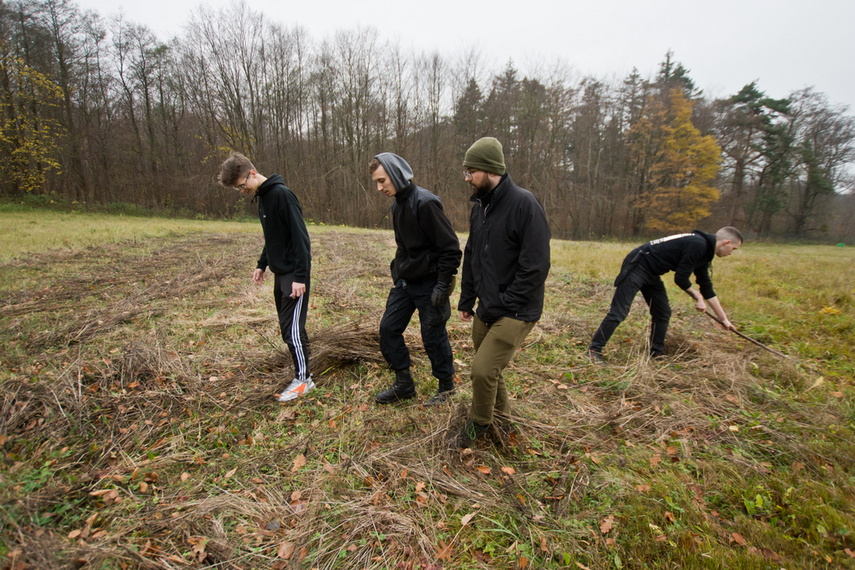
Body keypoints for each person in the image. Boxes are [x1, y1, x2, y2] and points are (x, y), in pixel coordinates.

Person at [456, 137, 551, 447]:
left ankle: (479, 426)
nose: (467, 178)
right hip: (487, 306)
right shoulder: (480, 208)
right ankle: (506, 425)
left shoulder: (525, 204)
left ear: (489, 169)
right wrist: (468, 297)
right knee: (491, 368)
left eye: (471, 171)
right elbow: (471, 253)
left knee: (482, 371)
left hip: (517, 309)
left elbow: (535, 267)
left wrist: (506, 303)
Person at [216, 153, 314, 402]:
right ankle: (300, 367)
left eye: (241, 185)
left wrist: (300, 277)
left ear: (251, 173)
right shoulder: (263, 198)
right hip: (280, 273)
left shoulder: (283, 196)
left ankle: (304, 380)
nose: (241, 191)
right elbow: (273, 238)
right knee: (287, 328)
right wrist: (262, 264)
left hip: (294, 274)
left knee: (293, 330)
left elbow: (301, 240)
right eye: (237, 188)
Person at [370, 153, 462, 406]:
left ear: (396, 173)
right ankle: (404, 384)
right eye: (376, 182)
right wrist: (398, 274)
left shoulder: (426, 203)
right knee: (388, 329)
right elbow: (404, 246)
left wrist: (443, 285)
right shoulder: (397, 204)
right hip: (406, 283)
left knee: (433, 337)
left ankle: (446, 388)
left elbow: (451, 249)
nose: (379, 188)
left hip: (432, 283)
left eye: (382, 180)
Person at [588, 227, 744, 363]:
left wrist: (724, 319)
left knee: (662, 312)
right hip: (637, 265)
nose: (731, 253)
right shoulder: (698, 244)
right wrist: (697, 297)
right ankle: (594, 351)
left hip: (652, 272)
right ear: (726, 242)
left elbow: (707, 287)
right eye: (733, 249)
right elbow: (681, 278)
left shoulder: (705, 251)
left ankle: (656, 354)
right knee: (619, 312)